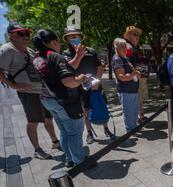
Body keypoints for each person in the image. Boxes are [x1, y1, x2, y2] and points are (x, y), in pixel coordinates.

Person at [0, 23, 60, 160]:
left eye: (27, 33)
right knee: (33, 121)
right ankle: (37, 150)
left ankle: (55, 142)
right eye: (21, 34)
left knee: (48, 118)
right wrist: (13, 85)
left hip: (41, 91)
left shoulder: (29, 51)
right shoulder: (7, 50)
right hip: (28, 92)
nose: (26, 36)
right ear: (11, 36)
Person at [32, 29, 87, 168]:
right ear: (54, 41)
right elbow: (69, 81)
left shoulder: (38, 57)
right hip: (63, 100)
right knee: (74, 131)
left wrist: (78, 57)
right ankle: (80, 161)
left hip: (47, 100)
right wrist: (80, 79)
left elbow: (64, 69)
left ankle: (69, 158)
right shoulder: (55, 56)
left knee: (64, 131)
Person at [62, 27, 114, 145]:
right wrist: (77, 55)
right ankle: (90, 132)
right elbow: (67, 70)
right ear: (67, 39)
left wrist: (97, 81)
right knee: (86, 110)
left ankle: (106, 129)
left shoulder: (91, 51)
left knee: (101, 106)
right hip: (79, 88)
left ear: (80, 37)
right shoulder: (66, 54)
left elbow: (99, 67)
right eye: (71, 36)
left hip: (95, 85)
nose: (74, 38)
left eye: (76, 36)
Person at [111, 38, 140, 133]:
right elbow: (121, 77)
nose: (124, 49)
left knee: (134, 112)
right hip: (126, 91)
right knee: (129, 113)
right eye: (121, 47)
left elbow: (131, 72)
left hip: (132, 90)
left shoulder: (125, 58)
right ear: (116, 48)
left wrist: (135, 73)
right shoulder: (117, 59)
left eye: (125, 46)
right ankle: (130, 131)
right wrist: (133, 74)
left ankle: (134, 128)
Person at [123, 26, 149, 124]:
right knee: (136, 99)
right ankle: (135, 120)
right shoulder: (128, 47)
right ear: (128, 35)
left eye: (138, 35)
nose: (137, 37)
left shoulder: (134, 47)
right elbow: (127, 64)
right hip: (133, 79)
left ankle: (140, 116)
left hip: (138, 77)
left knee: (140, 98)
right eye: (135, 34)